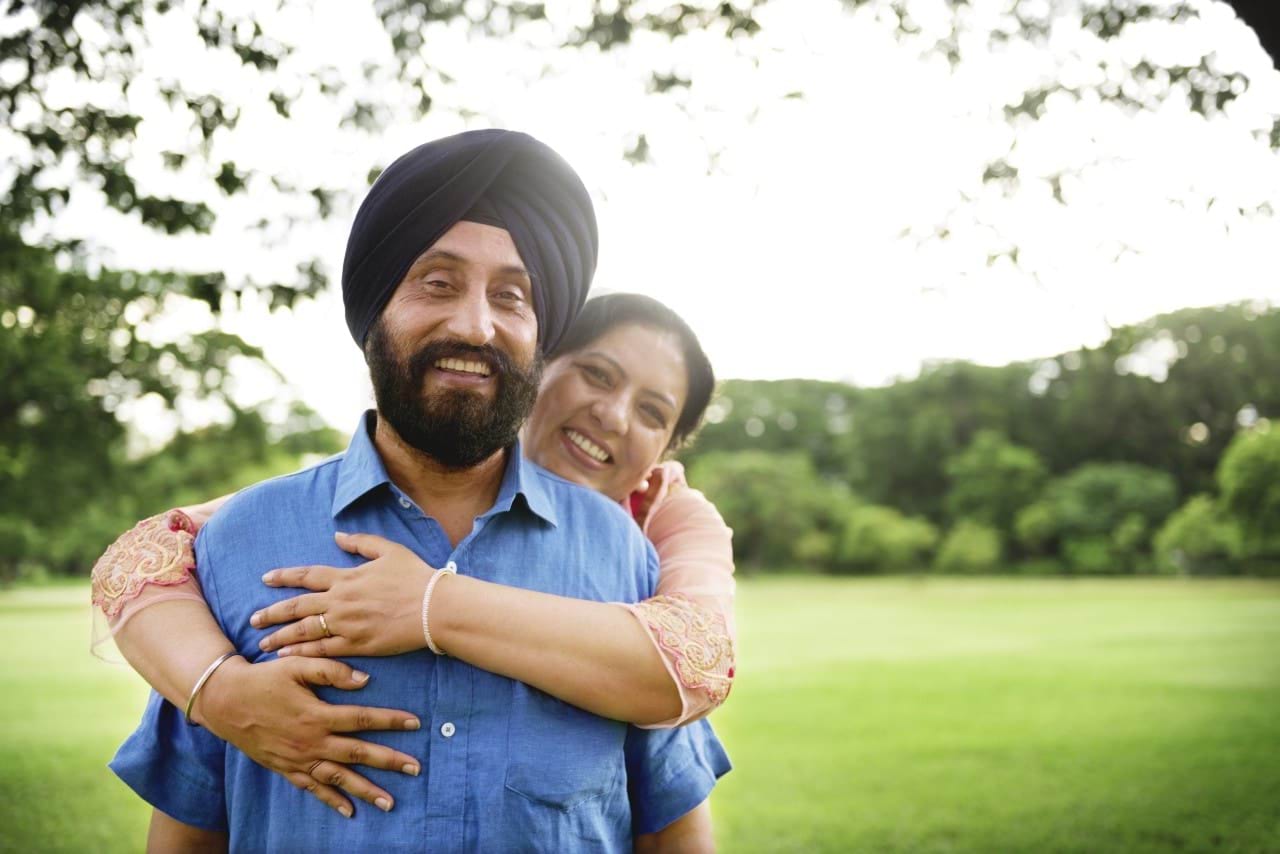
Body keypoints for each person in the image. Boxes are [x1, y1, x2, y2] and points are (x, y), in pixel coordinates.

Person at [101, 129, 731, 853]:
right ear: (376, 310)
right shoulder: (237, 542)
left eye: (512, 296)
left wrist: (431, 605)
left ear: (538, 335)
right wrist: (217, 687)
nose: (473, 323)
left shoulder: (632, 556)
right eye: (437, 282)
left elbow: (676, 815)